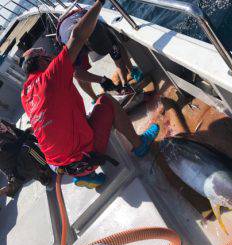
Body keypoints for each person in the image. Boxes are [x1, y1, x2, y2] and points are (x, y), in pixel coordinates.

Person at [20, 0, 159, 189]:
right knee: (106, 100)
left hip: (61, 168)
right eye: (47, 55)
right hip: (86, 158)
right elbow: (77, 36)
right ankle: (139, 144)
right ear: (42, 61)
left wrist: (103, 81)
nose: (51, 56)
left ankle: (90, 177)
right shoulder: (51, 75)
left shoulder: (25, 94)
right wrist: (100, 2)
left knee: (78, 118)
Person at [57, 7, 143, 101]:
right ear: (88, 48)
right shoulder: (72, 47)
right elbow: (76, 73)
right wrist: (102, 80)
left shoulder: (102, 30)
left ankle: (128, 76)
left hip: (85, 19)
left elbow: (118, 56)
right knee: (79, 72)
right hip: (66, 30)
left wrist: (125, 83)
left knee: (116, 48)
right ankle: (95, 98)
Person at [0, 119, 52, 198]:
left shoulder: (2, 122)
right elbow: (15, 148)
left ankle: (11, 187)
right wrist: (27, 132)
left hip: (18, 164)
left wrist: (40, 140)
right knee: (26, 147)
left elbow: (19, 132)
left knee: (25, 141)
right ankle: (45, 170)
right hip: (16, 169)